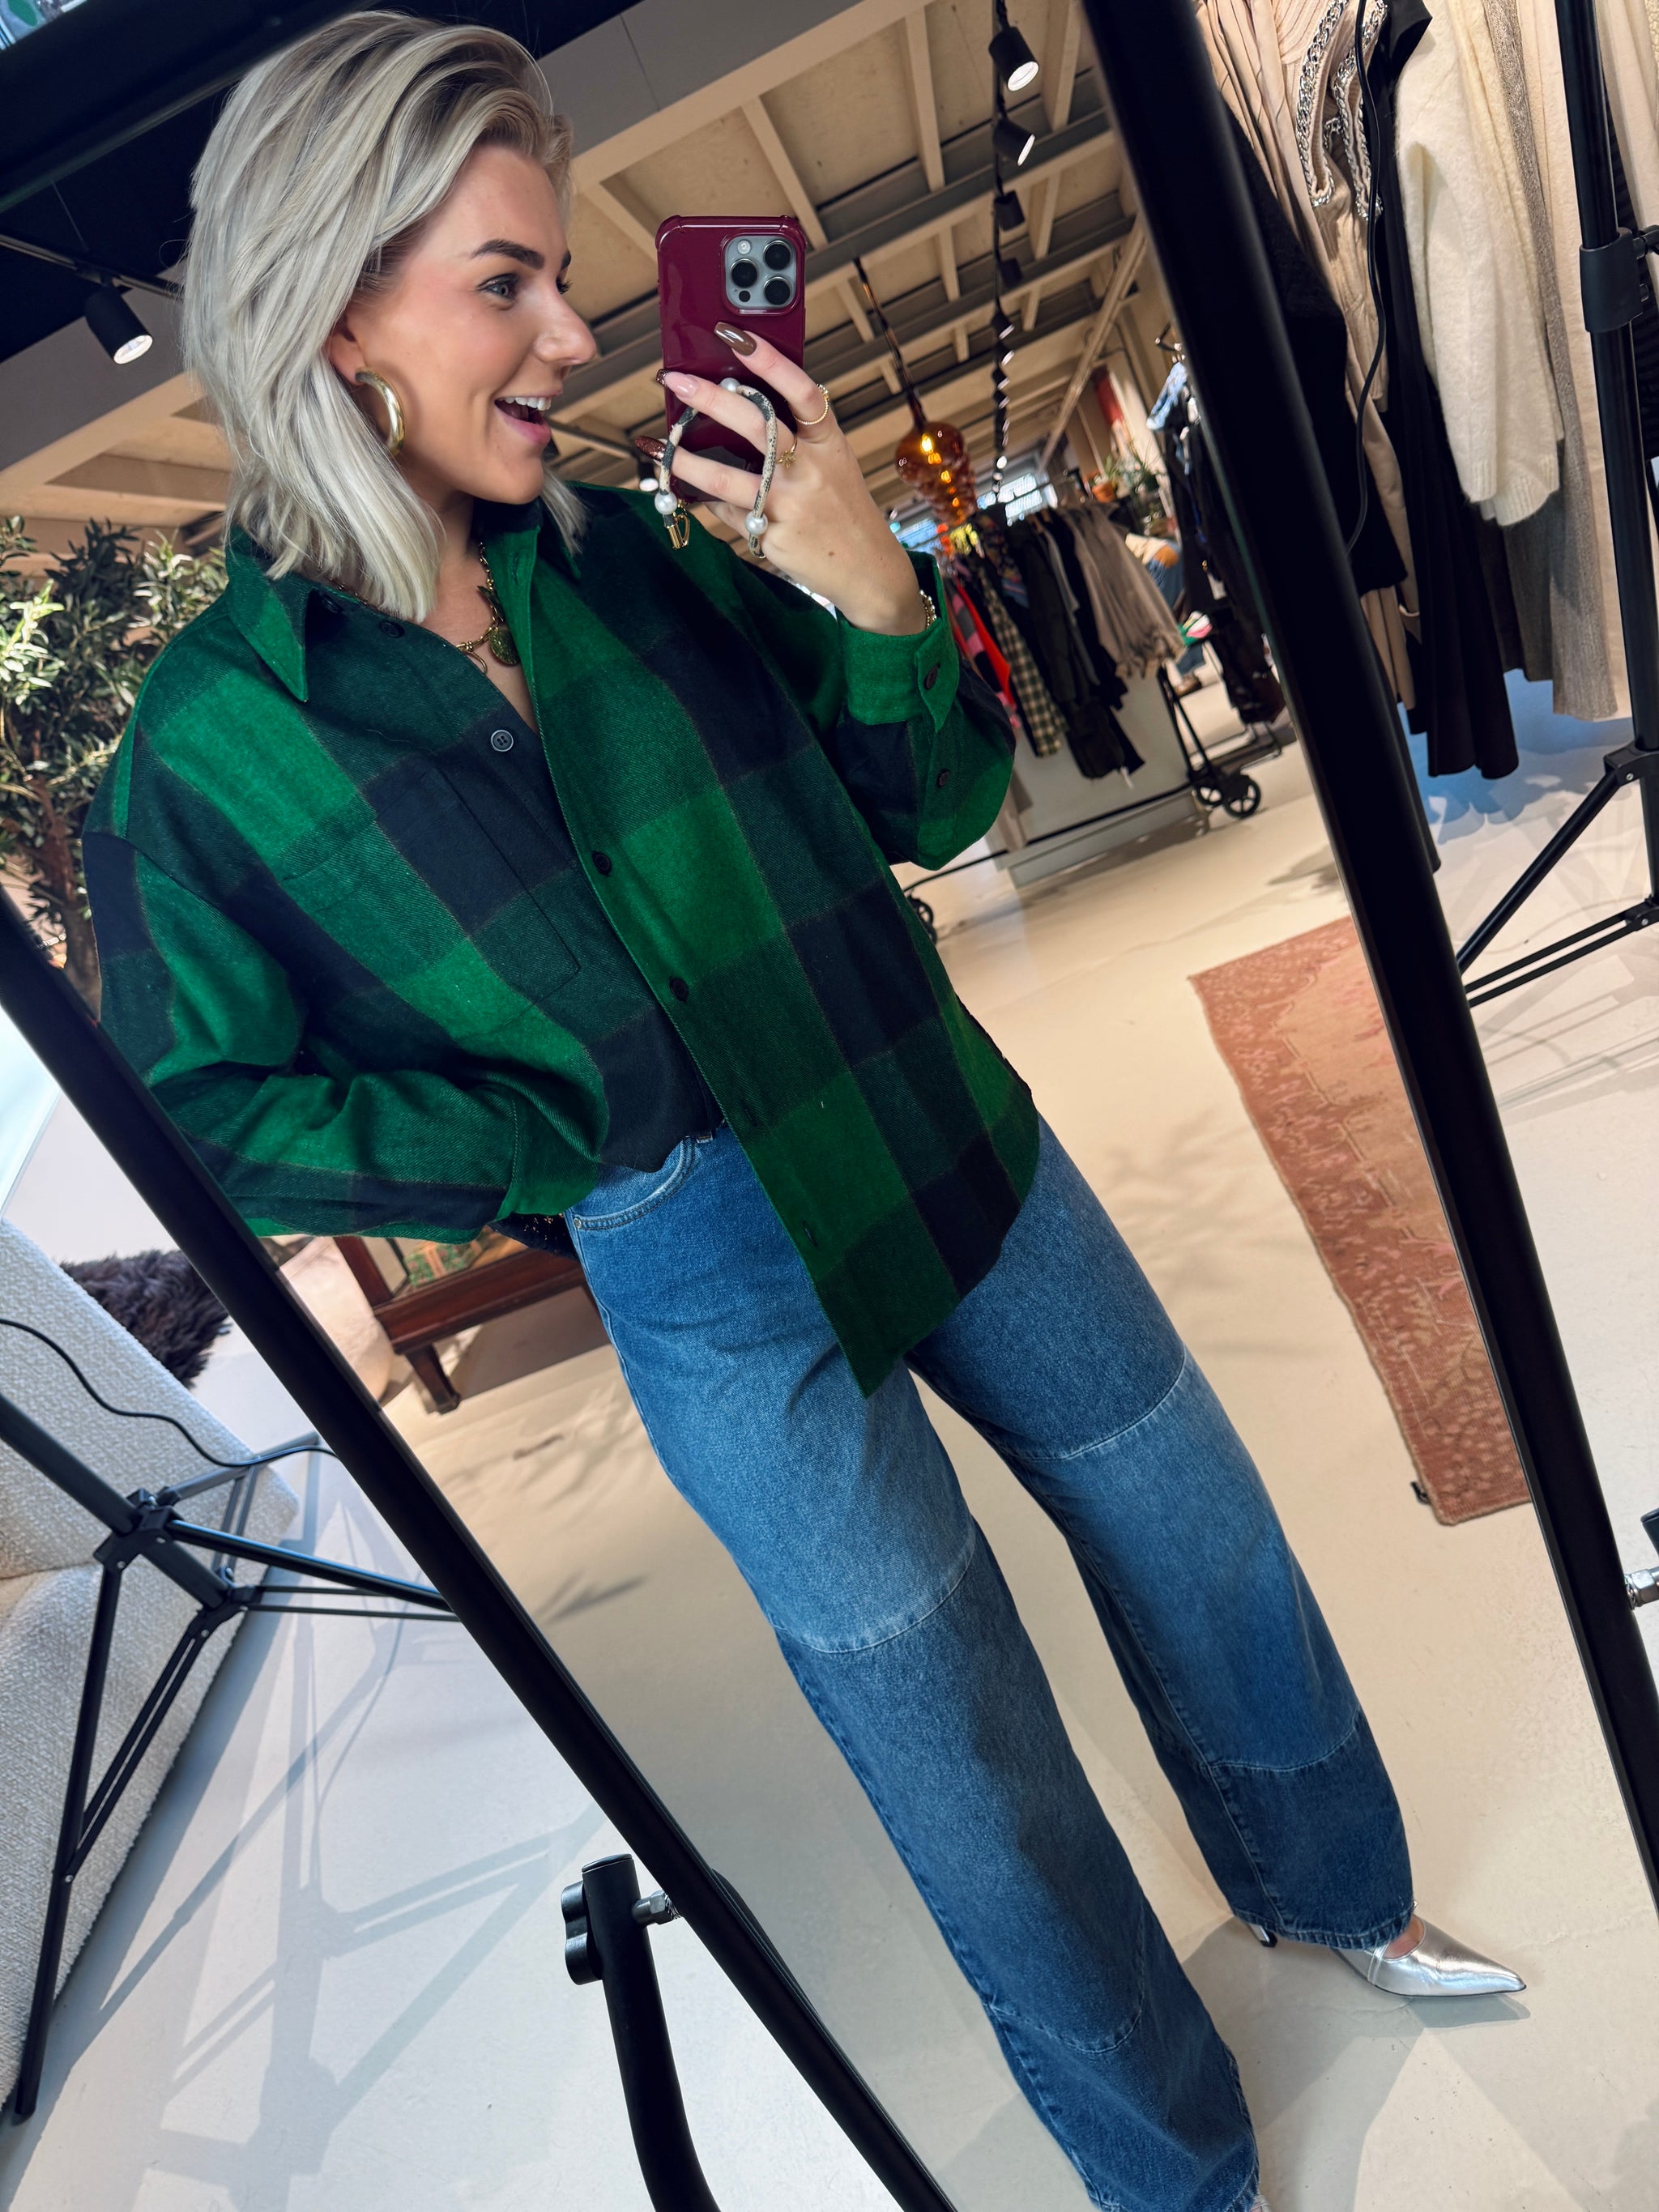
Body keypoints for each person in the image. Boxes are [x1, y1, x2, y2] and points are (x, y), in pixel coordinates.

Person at [83, 16, 1523, 2210]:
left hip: (933, 1114)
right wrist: (545, 1143)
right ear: (336, 314)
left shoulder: (638, 556)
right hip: (701, 1267)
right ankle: (1173, 2166)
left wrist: (868, 578)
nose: (575, 334)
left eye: (565, 278)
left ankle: (1337, 1888)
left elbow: (932, 803)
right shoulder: (212, 751)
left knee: (1195, 1527)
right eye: (506, 283)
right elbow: (203, 1108)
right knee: (951, 1740)